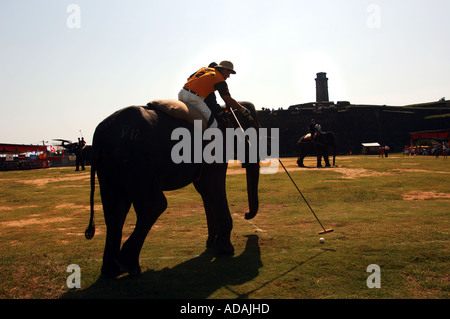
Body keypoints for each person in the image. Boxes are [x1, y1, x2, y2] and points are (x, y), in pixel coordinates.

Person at [178, 60, 251, 129]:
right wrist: (243, 110)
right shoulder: (219, 79)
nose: (228, 76)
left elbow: (189, 78)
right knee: (213, 126)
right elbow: (227, 99)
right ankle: (207, 142)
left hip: (182, 93)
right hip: (193, 98)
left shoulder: (205, 69)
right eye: (228, 73)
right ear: (223, 69)